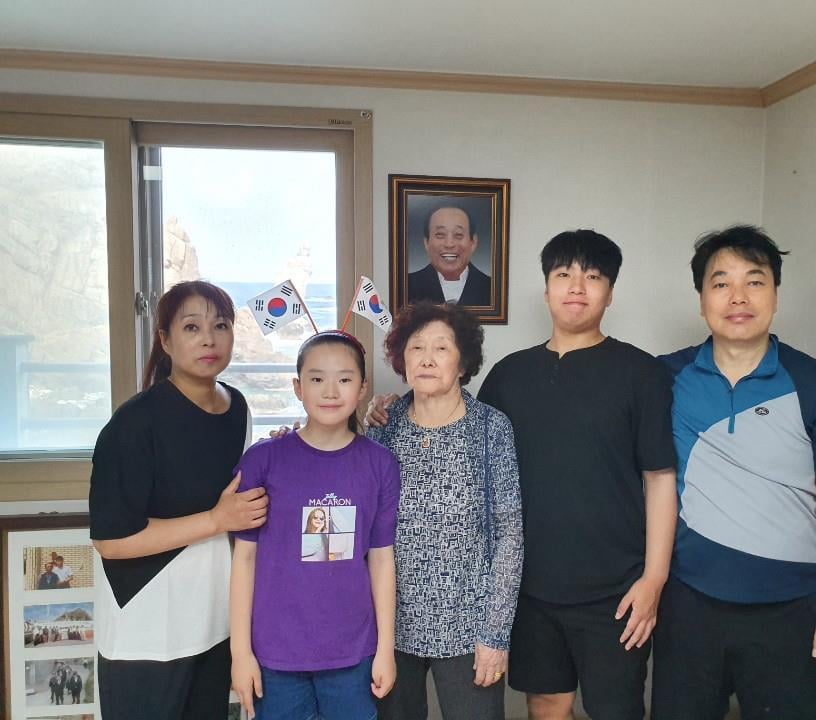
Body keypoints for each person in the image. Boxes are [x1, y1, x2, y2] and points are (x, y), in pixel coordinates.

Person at [370, 231, 677, 720]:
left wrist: (654, 578)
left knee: (617, 709)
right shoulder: (510, 375)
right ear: (546, 289)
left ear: (610, 293)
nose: (576, 286)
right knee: (546, 706)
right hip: (533, 590)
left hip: (615, 589)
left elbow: (660, 479)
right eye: (564, 274)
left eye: (593, 276)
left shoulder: (642, 372)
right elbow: (452, 420)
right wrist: (384, 409)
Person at [652, 225, 816, 720]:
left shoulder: (815, 382)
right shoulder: (664, 377)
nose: (738, 297)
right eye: (721, 283)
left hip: (790, 607)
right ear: (701, 299)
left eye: (755, 281)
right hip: (689, 602)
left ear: (775, 294)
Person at [89, 280, 269, 720]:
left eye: (220, 325)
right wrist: (216, 520)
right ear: (165, 340)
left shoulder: (238, 407)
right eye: (192, 327)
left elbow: (238, 495)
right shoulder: (134, 423)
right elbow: (112, 541)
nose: (209, 339)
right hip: (146, 630)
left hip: (212, 620)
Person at [230, 330, 401, 720]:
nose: (330, 391)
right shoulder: (263, 460)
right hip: (275, 653)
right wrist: (240, 653)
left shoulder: (379, 464)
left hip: (353, 652)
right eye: (317, 378)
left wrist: (385, 650)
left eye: (344, 379)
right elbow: (244, 559)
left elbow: (381, 560)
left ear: (362, 388)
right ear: (298, 387)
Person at [367, 302, 522, 720]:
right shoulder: (382, 427)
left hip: (468, 627)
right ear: (402, 359)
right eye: (416, 347)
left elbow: (510, 536)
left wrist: (495, 633)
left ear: (463, 362)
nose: (427, 358)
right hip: (390, 626)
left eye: (441, 347)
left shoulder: (491, 428)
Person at [407, 204, 492, 305]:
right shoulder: (406, 285)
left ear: (473, 242)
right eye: (440, 234)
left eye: (458, 234)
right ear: (426, 242)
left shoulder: (491, 287)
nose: (449, 244)